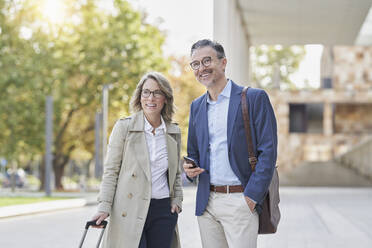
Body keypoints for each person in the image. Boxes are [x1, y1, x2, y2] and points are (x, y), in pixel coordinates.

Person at [183, 39, 277, 248]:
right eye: (195, 64)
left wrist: (252, 197)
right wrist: (189, 170)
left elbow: (268, 152)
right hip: (207, 204)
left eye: (207, 61)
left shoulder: (254, 98)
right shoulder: (196, 106)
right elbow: (194, 151)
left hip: (240, 200)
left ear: (223, 63)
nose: (201, 68)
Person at [92, 72, 183, 248]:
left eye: (157, 92)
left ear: (165, 98)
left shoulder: (173, 131)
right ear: (139, 96)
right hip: (129, 209)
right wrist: (104, 206)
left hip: (163, 211)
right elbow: (111, 171)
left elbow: (175, 173)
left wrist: (177, 199)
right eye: (146, 92)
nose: (151, 98)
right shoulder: (124, 127)